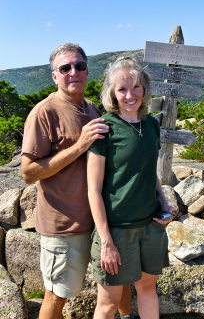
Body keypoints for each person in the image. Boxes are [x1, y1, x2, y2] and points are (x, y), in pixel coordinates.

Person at [21, 43, 133, 319]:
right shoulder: (43, 113)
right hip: (64, 226)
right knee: (57, 295)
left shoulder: (92, 108)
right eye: (65, 68)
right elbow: (28, 173)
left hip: (101, 222)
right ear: (55, 76)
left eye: (79, 66)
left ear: (86, 70)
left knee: (119, 283)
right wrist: (79, 145)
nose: (74, 72)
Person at [87, 56, 173, 319]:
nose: (130, 94)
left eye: (136, 86)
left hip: (150, 226)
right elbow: (93, 189)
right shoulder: (104, 129)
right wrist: (106, 242)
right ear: (112, 93)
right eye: (122, 89)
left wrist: (164, 202)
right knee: (108, 304)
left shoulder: (151, 125)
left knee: (147, 290)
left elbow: (149, 173)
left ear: (145, 88)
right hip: (117, 231)